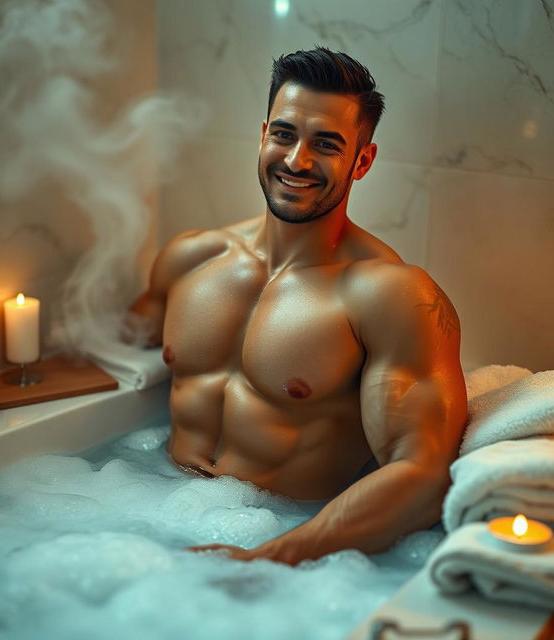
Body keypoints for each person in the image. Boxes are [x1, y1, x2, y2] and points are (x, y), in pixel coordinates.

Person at [130, 47, 467, 565]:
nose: (296, 160)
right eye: (284, 134)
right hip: (135, 508)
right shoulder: (190, 258)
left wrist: (269, 558)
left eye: (326, 144)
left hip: (290, 549)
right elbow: (119, 344)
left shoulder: (389, 295)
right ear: (263, 134)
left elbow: (420, 476)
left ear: (362, 161)